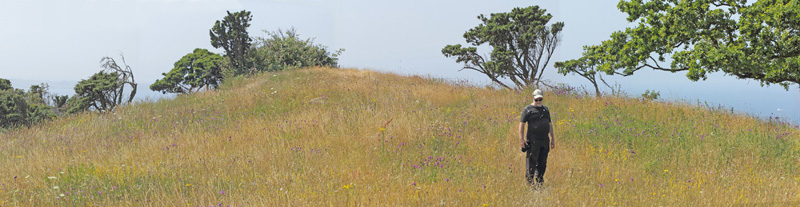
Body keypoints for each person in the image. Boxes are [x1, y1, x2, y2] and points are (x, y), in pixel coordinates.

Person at [518, 89, 555, 188]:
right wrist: (521, 139)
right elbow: (522, 124)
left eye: (540, 99)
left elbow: (550, 124)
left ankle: (539, 183)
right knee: (531, 163)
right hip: (533, 141)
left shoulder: (546, 109)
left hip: (545, 140)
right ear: (533, 98)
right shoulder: (528, 110)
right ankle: (530, 184)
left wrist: (552, 139)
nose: (539, 101)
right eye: (537, 99)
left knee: (542, 163)